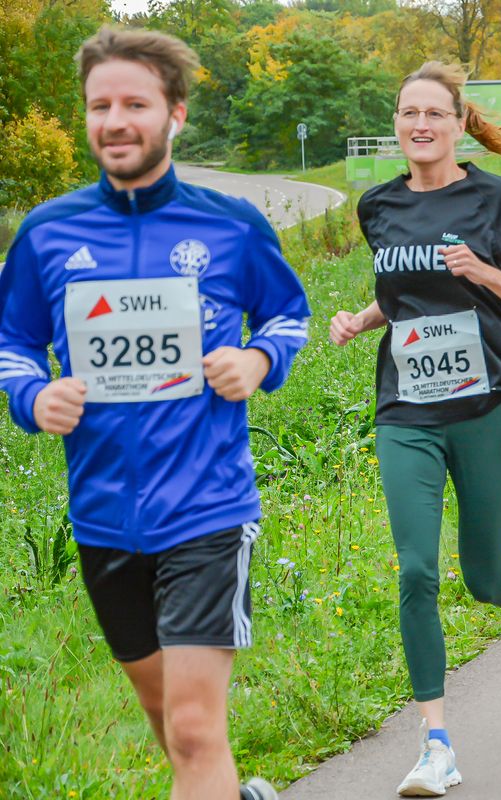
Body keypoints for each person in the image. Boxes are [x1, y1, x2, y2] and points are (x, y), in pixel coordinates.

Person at [0, 26, 310, 800]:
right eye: (98, 105)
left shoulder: (230, 225)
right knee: (165, 716)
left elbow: (287, 316)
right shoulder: (47, 233)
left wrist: (256, 361)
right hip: (103, 517)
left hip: (207, 508)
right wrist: (33, 396)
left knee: (196, 729)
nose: (114, 121)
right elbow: (13, 343)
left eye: (134, 104)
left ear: (175, 114)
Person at [329, 61, 501, 796]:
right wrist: (360, 318)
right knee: (415, 570)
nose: (421, 125)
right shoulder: (378, 205)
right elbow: (401, 295)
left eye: (435, 113)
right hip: (407, 410)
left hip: (488, 407)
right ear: (397, 124)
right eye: (409, 113)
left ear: (460, 124)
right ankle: (436, 744)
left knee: (482, 577)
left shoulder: (496, 201)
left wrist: (484, 273)